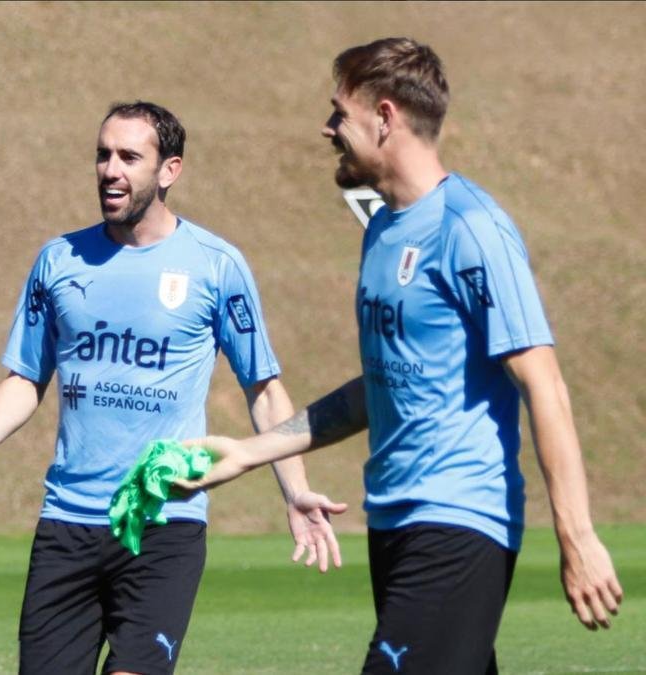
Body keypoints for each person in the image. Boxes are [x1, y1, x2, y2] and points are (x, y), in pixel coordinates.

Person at [177, 37, 624, 674]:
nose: (327, 127)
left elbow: (544, 383)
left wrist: (577, 536)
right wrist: (251, 452)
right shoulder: (384, 230)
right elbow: (383, 384)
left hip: (459, 520)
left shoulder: (471, 228)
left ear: (384, 118)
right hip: (394, 523)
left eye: (340, 113)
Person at [0, 101, 344, 675]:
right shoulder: (58, 261)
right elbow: (26, 377)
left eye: (129, 156)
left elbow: (264, 388)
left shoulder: (215, 266)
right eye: (103, 154)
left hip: (164, 521)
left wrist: (294, 490)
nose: (110, 169)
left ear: (169, 170)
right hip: (67, 523)